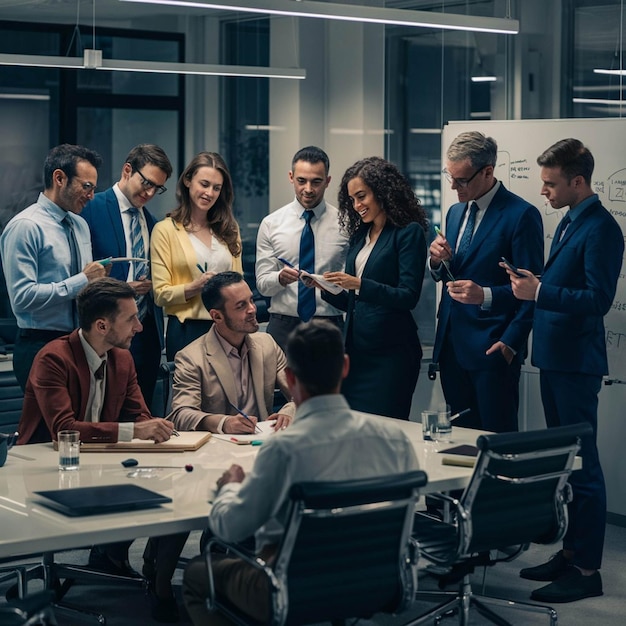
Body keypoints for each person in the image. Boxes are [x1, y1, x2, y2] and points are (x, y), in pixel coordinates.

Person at [180, 319, 420, 625]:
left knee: (199, 574)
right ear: (345, 366)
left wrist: (231, 486)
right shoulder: (395, 439)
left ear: (290, 379)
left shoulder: (284, 449)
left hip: (294, 587)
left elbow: (229, 528)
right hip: (377, 578)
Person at [16, 277, 183, 622]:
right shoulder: (53, 358)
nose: (139, 326)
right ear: (102, 325)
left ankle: (132, 564)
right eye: (131, 319)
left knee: (173, 487)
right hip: (45, 470)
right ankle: (111, 556)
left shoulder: (122, 359)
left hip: (100, 462)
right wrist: (136, 430)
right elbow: (65, 431)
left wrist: (153, 429)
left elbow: (141, 417)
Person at [504, 139, 623, 604]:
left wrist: (540, 292)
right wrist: (534, 290)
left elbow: (597, 300)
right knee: (568, 464)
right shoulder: (572, 220)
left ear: (578, 181)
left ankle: (588, 569)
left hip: (576, 365)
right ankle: (571, 553)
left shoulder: (602, 228)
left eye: (551, 184)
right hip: (554, 359)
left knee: (585, 468)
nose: (544, 192)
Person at [430, 131, 544, 432]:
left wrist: (509, 342)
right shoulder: (455, 212)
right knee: (460, 442)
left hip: (494, 349)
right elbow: (447, 273)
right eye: (449, 176)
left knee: (498, 441)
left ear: (488, 171)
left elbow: (531, 289)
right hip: (452, 346)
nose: (453, 186)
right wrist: (436, 261)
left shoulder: (522, 215)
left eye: (462, 179)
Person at [318, 156, 428, 420]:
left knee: (386, 427)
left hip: (391, 354)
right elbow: (357, 302)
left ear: (382, 192)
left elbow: (408, 296)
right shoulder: (359, 236)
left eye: (362, 197)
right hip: (356, 352)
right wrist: (326, 287)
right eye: (352, 200)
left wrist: (359, 284)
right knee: (355, 426)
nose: (357, 206)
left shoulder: (408, 233)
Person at [0, 144, 107, 391]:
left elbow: (83, 284)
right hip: (40, 342)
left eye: (94, 188)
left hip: (80, 342)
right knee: (46, 428)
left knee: (79, 426)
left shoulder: (80, 225)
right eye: (86, 186)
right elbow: (22, 298)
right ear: (59, 178)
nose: (91, 195)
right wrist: (82, 280)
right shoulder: (26, 226)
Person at [81, 144, 173, 409]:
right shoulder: (91, 208)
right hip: (105, 334)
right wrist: (123, 288)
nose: (150, 192)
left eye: (158, 188)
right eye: (146, 183)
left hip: (145, 335)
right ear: (127, 170)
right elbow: (81, 273)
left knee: (139, 418)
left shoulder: (153, 222)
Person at [169, 271, 295, 434]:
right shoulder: (190, 358)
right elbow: (181, 414)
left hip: (263, 441)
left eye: (251, 300)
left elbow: (300, 393)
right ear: (217, 316)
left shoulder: (267, 344)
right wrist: (224, 423)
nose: (252, 309)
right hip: (216, 448)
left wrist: (289, 410)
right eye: (241, 305)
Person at [151, 152, 243, 360]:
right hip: (187, 331)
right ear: (187, 181)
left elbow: (239, 282)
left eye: (216, 188)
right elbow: (160, 294)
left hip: (227, 329)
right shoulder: (165, 230)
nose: (209, 193)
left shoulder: (230, 229)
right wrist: (196, 286)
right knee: (189, 392)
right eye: (204, 184)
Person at [255, 146, 349, 350]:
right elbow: (262, 283)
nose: (308, 189)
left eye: (316, 181)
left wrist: (331, 284)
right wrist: (279, 278)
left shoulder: (346, 223)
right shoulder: (271, 224)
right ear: (291, 177)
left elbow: (354, 281)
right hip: (283, 324)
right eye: (301, 181)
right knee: (279, 383)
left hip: (329, 323)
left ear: (328, 181)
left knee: (330, 383)